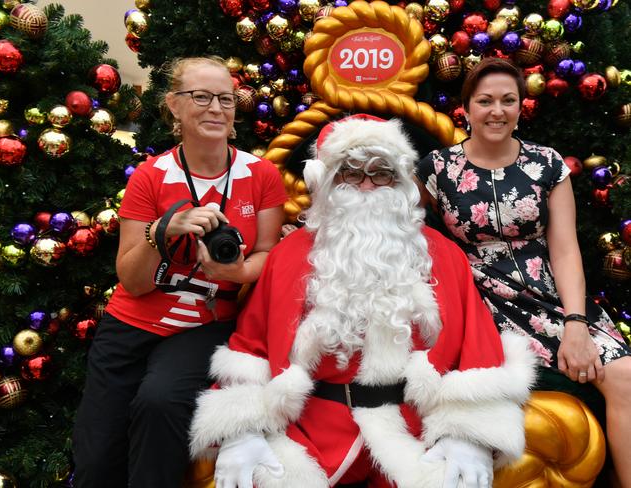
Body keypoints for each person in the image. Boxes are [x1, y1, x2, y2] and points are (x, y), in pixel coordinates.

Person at [188, 114, 536, 488]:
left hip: (414, 425)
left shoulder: (443, 256)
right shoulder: (290, 254)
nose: (367, 186)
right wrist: (242, 430)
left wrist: (470, 435)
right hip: (313, 426)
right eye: (351, 173)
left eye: (381, 173)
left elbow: (477, 347)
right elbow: (251, 347)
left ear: (400, 182)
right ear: (328, 182)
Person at [72, 56, 287, 488]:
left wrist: (239, 269)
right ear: (173, 105)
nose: (216, 108)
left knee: (160, 402)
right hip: (132, 320)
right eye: (201, 97)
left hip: (205, 322)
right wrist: (161, 232)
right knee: (96, 455)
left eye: (225, 99)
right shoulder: (151, 176)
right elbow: (131, 281)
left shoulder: (260, 174)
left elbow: (269, 254)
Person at [416, 57, 631, 487]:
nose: (497, 110)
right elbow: (393, 220)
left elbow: (566, 248)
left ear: (519, 107)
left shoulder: (546, 163)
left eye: (508, 100)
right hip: (480, 299)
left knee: (624, 373)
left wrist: (575, 324)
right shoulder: (436, 168)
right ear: (467, 108)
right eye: (485, 100)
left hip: (550, 293)